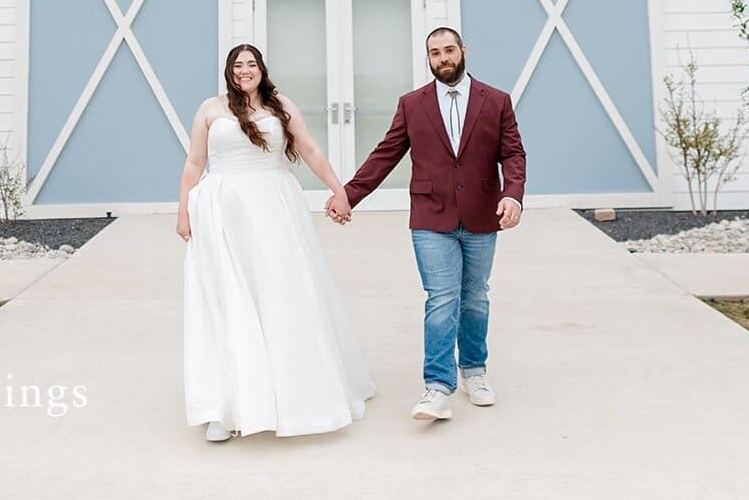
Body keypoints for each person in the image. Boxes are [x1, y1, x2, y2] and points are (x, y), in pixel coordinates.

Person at [179, 43, 375, 441]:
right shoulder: (210, 109)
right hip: (223, 213)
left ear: (261, 69)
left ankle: (294, 394)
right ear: (229, 71)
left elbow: (309, 149)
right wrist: (183, 211)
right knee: (230, 299)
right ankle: (228, 406)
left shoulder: (280, 105)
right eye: (238, 65)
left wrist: (339, 190)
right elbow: (194, 163)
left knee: (280, 295)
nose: (244, 70)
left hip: (273, 211)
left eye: (251, 64)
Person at [330, 26, 526, 422]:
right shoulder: (412, 104)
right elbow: (386, 154)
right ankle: (438, 386)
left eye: (449, 50)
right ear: (429, 58)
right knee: (441, 298)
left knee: (475, 296)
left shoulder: (496, 100)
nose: (443, 58)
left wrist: (512, 194)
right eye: (435, 53)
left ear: (463, 50)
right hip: (430, 215)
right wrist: (349, 194)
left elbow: (513, 153)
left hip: (482, 212)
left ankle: (474, 370)